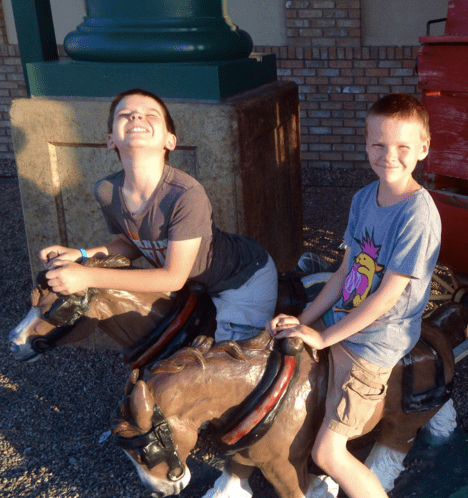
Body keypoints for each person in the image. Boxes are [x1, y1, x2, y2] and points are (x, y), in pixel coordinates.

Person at [267, 93, 441, 498]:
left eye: (402, 147)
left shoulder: (418, 214)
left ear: (423, 148)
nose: (389, 156)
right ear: (365, 143)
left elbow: (387, 296)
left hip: (377, 338)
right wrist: (304, 321)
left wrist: (325, 337)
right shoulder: (363, 198)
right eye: (378, 144)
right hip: (344, 315)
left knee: (328, 453)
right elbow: (345, 270)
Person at [40, 88, 277, 342]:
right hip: (194, 285)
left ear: (170, 141)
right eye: (125, 114)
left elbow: (172, 278)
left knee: (227, 360)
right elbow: (132, 242)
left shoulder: (185, 194)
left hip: (242, 279)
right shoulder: (107, 191)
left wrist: (87, 276)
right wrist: (80, 254)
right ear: (110, 140)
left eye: (150, 114)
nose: (136, 117)